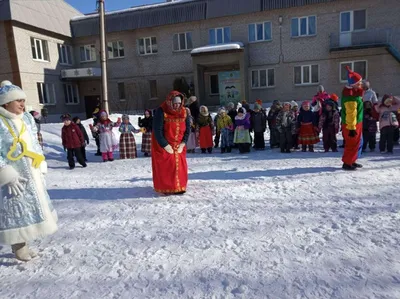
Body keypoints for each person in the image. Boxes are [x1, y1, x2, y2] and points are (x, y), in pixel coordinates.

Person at [0, 80, 57, 261]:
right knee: (16, 210)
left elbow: (34, 141)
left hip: (32, 171)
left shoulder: (27, 118)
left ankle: (26, 243)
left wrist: (40, 163)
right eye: (17, 101)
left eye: (23, 100)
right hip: (14, 177)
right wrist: (5, 173)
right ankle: (19, 247)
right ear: (5, 103)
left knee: (32, 208)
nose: (22, 104)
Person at [152, 91, 190, 195]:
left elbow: (188, 129)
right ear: (170, 102)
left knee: (180, 166)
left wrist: (183, 143)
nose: (177, 105)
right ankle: (167, 187)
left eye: (179, 103)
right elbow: (157, 130)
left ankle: (180, 187)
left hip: (179, 145)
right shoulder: (161, 111)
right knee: (168, 165)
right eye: (175, 103)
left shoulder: (184, 112)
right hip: (164, 145)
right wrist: (165, 145)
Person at [341, 66, 364, 170]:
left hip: (356, 123)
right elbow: (351, 113)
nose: (361, 84)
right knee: (352, 143)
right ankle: (347, 163)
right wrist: (351, 128)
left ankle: (352, 160)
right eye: (359, 83)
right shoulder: (350, 97)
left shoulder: (355, 93)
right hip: (351, 124)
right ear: (353, 85)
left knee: (357, 143)